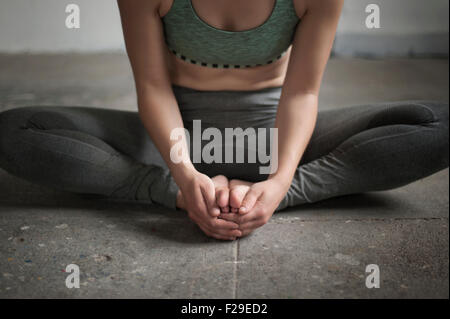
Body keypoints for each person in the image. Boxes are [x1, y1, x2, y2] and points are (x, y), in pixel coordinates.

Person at [0, 0, 448, 241]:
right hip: (173, 143)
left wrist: (280, 184)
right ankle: (181, 195)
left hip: (277, 141)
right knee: (13, 132)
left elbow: (303, 92)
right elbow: (153, 88)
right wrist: (182, 179)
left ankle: (276, 196)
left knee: (439, 123)